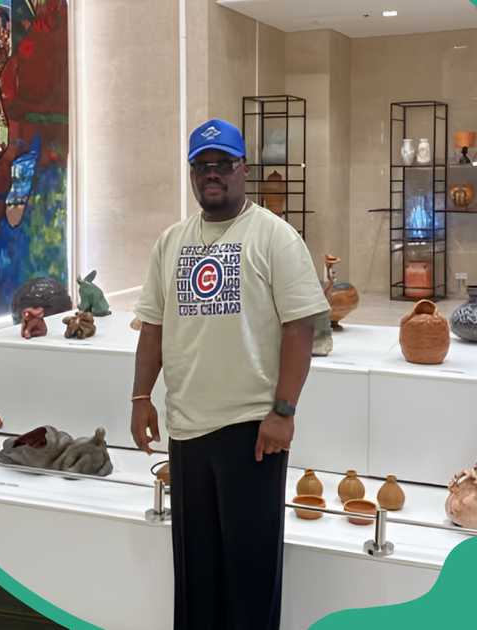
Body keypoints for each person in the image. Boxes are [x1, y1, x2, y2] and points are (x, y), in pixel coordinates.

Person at [130, 118, 328, 630]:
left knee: (250, 575)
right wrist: (140, 399)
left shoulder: (275, 237)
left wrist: (283, 412)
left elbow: (300, 328)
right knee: (196, 577)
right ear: (192, 174)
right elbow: (152, 326)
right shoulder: (171, 241)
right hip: (187, 429)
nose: (211, 174)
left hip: (252, 431)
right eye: (202, 166)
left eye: (223, 164)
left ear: (243, 170)